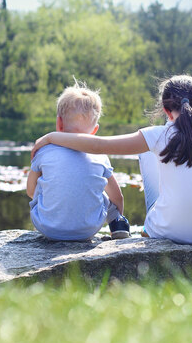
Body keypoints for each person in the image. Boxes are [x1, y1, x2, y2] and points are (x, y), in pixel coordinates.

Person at [32, 75, 192, 246]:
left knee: (148, 151)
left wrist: (50, 138)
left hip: (170, 231)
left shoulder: (159, 135)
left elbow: (97, 146)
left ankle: (152, 226)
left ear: (166, 111)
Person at [27, 81, 130, 241]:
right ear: (95, 130)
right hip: (88, 230)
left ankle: (49, 220)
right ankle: (118, 224)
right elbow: (118, 197)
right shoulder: (101, 156)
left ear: (59, 123)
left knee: (42, 185)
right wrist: (117, 214)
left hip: (47, 228)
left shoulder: (44, 151)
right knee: (103, 191)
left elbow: (30, 190)